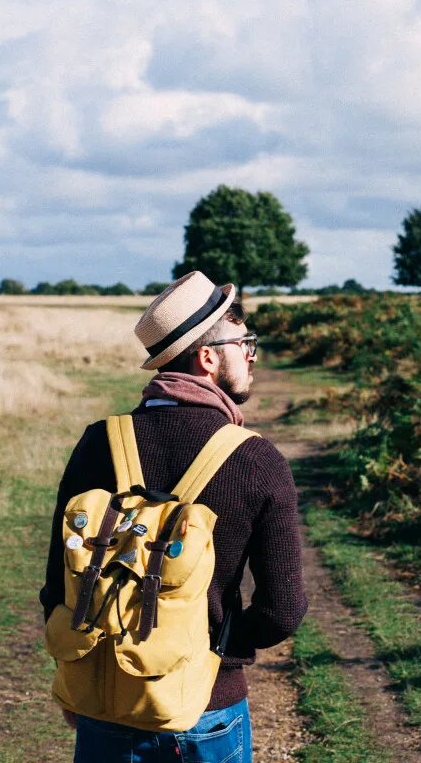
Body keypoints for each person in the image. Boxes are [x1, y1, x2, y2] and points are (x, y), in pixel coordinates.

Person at [40, 270, 307, 763]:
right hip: (207, 708)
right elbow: (282, 610)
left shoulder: (99, 442)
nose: (251, 354)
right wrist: (213, 653)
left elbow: (58, 582)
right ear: (207, 357)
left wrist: (85, 673)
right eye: (243, 341)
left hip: (105, 702)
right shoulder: (256, 460)